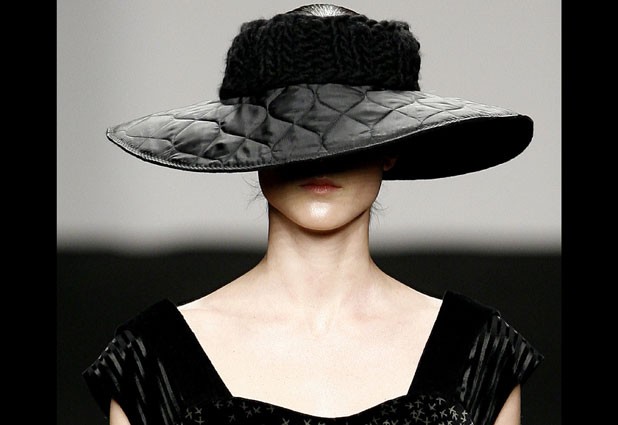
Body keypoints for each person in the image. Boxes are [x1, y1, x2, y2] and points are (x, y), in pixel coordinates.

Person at [83, 4, 543, 425]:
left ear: (393, 147)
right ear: (246, 145)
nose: (321, 156)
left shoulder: (480, 354)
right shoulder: (151, 361)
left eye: (354, 130)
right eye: (288, 130)